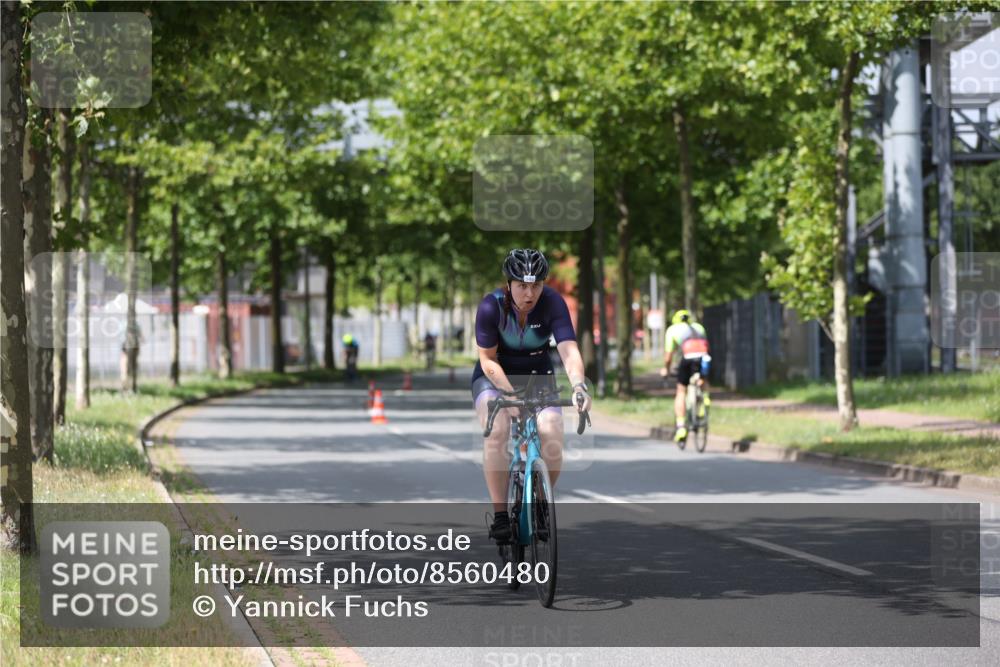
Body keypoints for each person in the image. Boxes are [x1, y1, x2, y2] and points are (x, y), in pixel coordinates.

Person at [473, 249, 591, 544]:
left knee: (552, 430)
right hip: (494, 375)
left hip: (538, 375)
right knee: (497, 430)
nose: (530, 293)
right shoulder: (492, 307)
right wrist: (509, 397)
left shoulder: (552, 303)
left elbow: (568, 349)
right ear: (509, 283)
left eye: (536, 285)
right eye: (522, 285)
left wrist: (578, 385)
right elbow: (487, 360)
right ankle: (501, 516)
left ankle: (539, 502)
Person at [660, 309, 711, 443]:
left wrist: (666, 369)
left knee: (681, 391)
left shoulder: (672, 330)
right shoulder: (699, 327)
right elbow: (705, 345)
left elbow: (668, 356)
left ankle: (681, 426)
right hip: (703, 358)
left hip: (687, 358)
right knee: (702, 379)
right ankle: (705, 399)